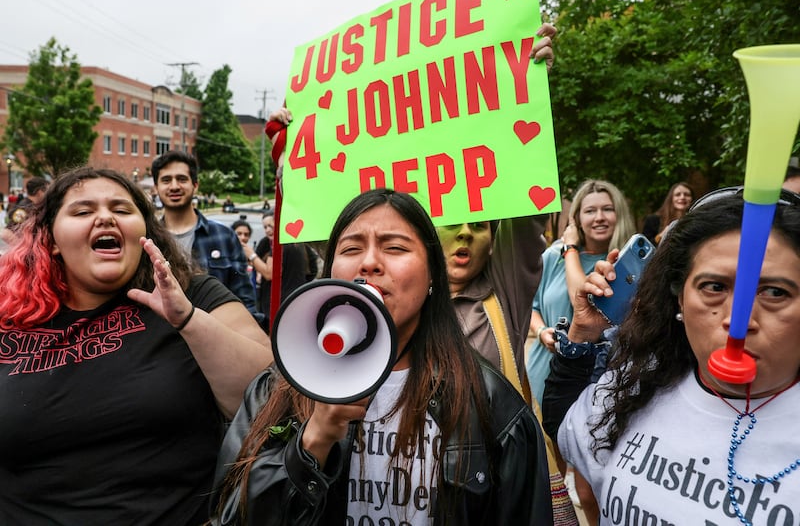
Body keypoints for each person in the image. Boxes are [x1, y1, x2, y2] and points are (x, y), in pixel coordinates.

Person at [210, 188, 553, 525]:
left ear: (433, 274)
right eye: (352, 248)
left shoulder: (492, 404)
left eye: (395, 247)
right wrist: (312, 443)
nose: (370, 262)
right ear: (331, 270)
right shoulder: (276, 389)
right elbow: (229, 515)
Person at [0, 167, 271, 524]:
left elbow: (269, 400)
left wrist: (189, 320)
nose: (105, 218)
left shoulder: (193, 294)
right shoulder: (9, 316)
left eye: (122, 210)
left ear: (146, 231)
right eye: (83, 211)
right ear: (50, 239)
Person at [558, 187, 800, 524]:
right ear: (679, 301)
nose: (738, 320)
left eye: (775, 292)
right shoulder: (637, 383)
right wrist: (582, 334)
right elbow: (567, 428)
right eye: (714, 287)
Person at [529, 179, 635, 524]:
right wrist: (541, 329)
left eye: (607, 208)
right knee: (548, 475)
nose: (600, 217)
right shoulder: (550, 257)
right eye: (590, 210)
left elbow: (583, 304)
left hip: (602, 379)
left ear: (620, 213)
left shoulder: (624, 264)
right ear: (577, 218)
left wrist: (570, 249)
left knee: (590, 487)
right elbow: (532, 306)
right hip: (549, 370)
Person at [152, 150, 260, 319]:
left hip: (218, 336)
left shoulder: (225, 237)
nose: (174, 186)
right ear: (156, 187)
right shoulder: (149, 239)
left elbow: (244, 298)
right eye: (166, 180)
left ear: (195, 185)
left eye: (181, 179)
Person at [1, 176, 50, 244]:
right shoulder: (26, 207)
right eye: (47, 191)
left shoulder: (33, 206)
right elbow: (7, 233)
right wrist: (23, 248)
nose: (49, 194)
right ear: (39, 192)